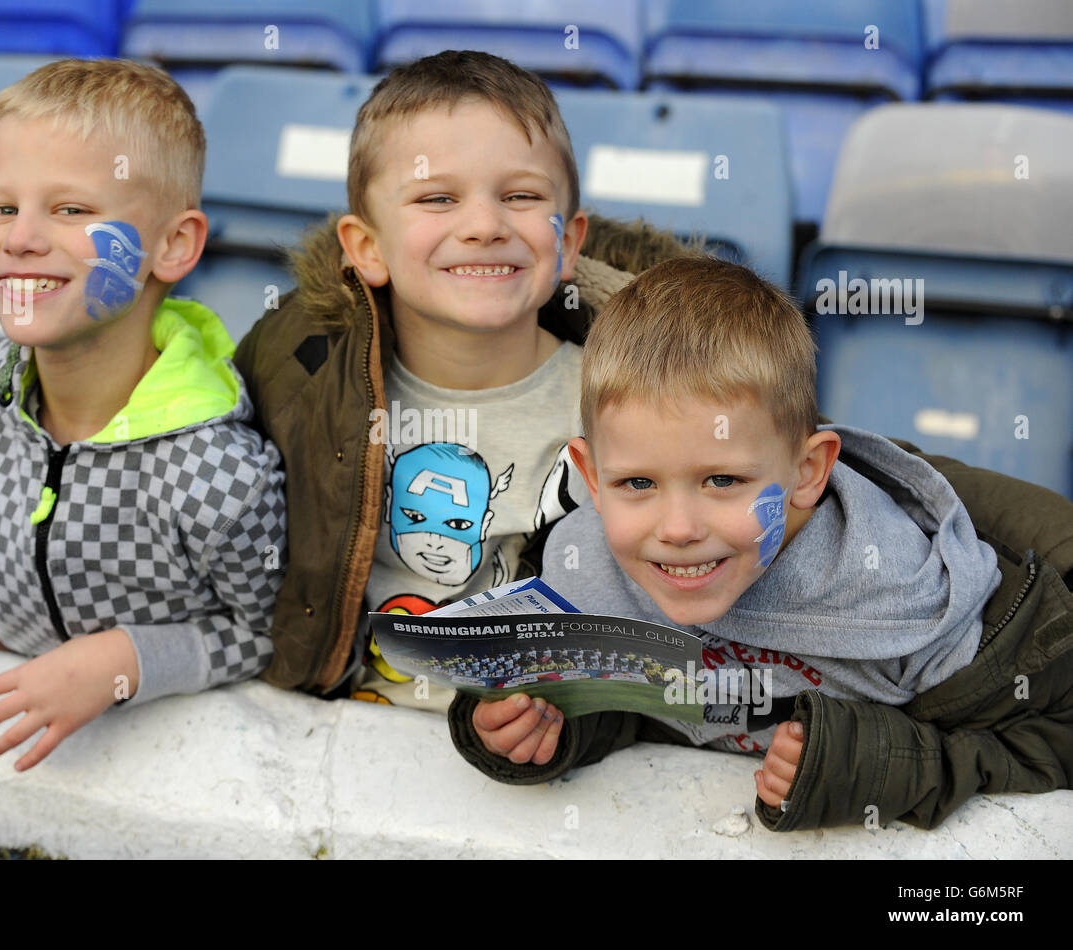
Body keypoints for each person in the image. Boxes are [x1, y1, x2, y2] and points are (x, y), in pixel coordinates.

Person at [450, 256, 1073, 831]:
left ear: (808, 471)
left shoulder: (920, 606)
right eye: (636, 483)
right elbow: (620, 706)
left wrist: (880, 766)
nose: (677, 528)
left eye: (722, 480)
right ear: (590, 478)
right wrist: (531, 728)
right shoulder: (576, 575)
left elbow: (1052, 741)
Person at [0, 59, 286, 825]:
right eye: (0, 208)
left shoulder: (217, 468)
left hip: (192, 801)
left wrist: (122, 663)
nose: (20, 240)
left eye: (72, 210)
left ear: (172, 247)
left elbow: (271, 632)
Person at [233, 50, 697, 706]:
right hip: (335, 743)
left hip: (544, 761)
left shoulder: (638, 400)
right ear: (367, 249)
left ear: (568, 243)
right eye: (437, 198)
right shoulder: (297, 370)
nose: (484, 226)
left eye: (521, 196)